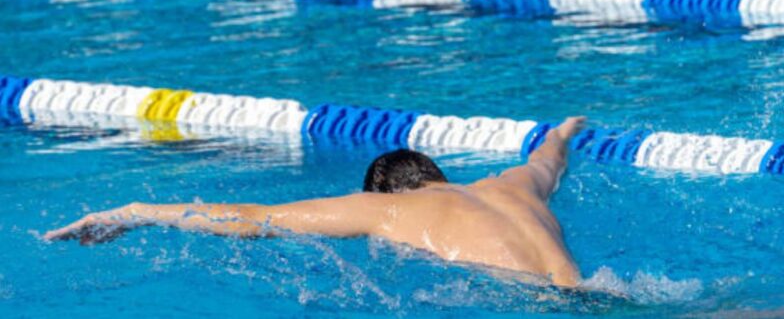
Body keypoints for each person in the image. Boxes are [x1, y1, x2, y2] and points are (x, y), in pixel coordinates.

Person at [45, 116, 586, 287]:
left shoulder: (391, 208)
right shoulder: (512, 186)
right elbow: (549, 157)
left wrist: (134, 212)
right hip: (588, 294)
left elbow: (253, 220)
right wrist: (565, 128)